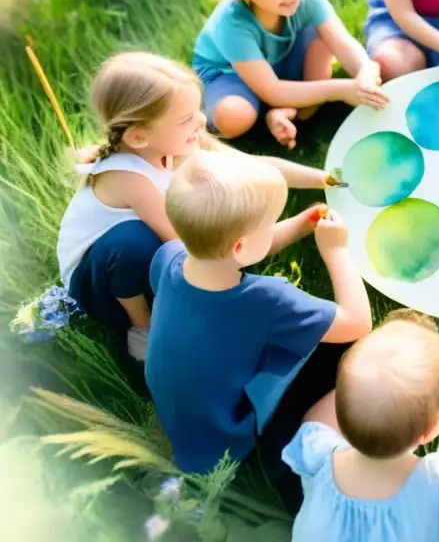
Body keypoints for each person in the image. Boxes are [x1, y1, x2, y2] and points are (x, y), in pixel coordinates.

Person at [56, 52, 335, 361]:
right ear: (138, 136)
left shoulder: (174, 142)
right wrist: (232, 262)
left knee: (216, 216)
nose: (202, 121)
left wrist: (323, 179)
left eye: (197, 110)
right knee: (137, 242)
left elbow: (251, 167)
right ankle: (144, 327)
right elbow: (187, 243)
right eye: (186, 118)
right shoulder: (126, 177)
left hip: (150, 255)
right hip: (99, 284)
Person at [145, 149, 373, 478]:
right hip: (231, 437)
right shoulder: (267, 301)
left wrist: (298, 225)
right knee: (350, 350)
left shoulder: (170, 256)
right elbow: (357, 323)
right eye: (268, 226)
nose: (272, 229)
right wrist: (336, 252)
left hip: (188, 425)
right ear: (240, 246)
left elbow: (233, 253)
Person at [283, 310, 439, 542]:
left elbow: (315, 420)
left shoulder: (319, 457)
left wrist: (367, 380)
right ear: (433, 427)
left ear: (340, 409)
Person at [191, 0, 388, 149]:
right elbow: (272, 89)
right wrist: (344, 89)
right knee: (234, 117)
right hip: (230, 75)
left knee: (323, 41)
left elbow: (344, 44)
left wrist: (366, 70)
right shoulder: (231, 24)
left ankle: (288, 112)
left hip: (281, 59)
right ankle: (282, 106)